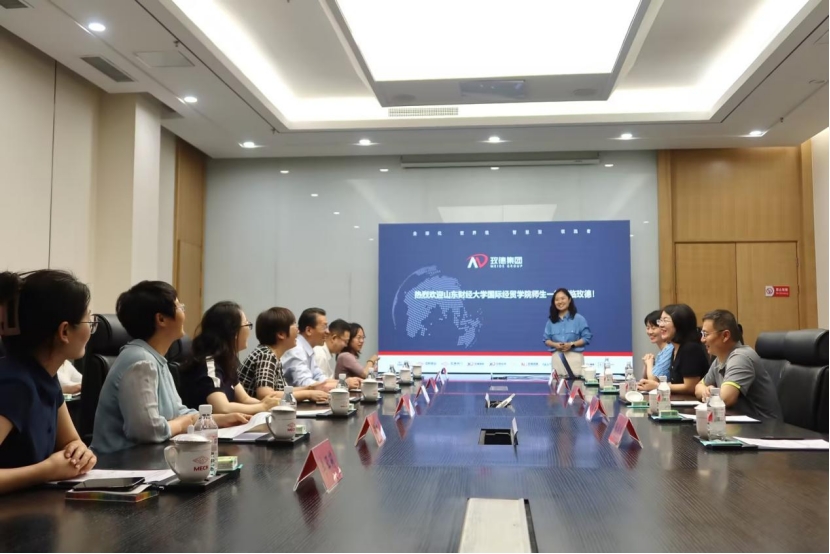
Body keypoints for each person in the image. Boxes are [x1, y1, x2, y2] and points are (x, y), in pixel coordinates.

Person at [91, 281, 249, 454]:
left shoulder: (156, 358)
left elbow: (178, 411)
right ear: (161, 319)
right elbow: (148, 431)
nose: (184, 313)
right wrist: (183, 423)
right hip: (121, 461)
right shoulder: (140, 361)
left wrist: (218, 420)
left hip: (146, 456)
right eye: (179, 307)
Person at [0, 270, 97, 494]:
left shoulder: (45, 376)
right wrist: (46, 471)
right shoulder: (15, 384)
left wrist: (80, 452)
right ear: (65, 331)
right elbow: (50, 468)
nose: (91, 328)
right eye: (88, 320)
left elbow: (71, 441)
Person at [180, 301, 284, 415]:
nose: (249, 331)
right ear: (233, 332)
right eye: (247, 325)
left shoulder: (227, 360)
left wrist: (270, 405)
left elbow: (245, 399)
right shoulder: (209, 363)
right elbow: (222, 408)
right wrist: (262, 406)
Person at [696, 309, 782, 420]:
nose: (702, 339)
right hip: (741, 422)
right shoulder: (720, 358)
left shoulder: (741, 357)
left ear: (725, 335)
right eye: (702, 334)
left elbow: (725, 399)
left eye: (706, 334)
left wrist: (710, 393)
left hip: (764, 426)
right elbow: (698, 387)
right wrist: (706, 391)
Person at [237, 307, 330, 402]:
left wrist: (309, 388)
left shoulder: (272, 355)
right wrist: (308, 394)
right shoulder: (266, 355)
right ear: (281, 334)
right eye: (294, 325)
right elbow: (265, 395)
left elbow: (283, 391)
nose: (298, 330)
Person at [281, 308, 361, 390]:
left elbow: (319, 377)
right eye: (324, 327)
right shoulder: (297, 350)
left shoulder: (308, 350)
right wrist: (344, 384)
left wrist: (344, 382)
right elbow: (305, 384)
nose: (327, 332)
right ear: (309, 330)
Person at [638, 304, 708, 394]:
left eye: (665, 320)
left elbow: (690, 386)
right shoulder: (676, 348)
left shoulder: (690, 349)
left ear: (679, 324)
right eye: (660, 321)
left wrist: (658, 386)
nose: (661, 325)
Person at [543, 288, 593, 378]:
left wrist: (571, 344)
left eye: (563, 298)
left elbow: (587, 337)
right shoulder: (551, 321)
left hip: (575, 360)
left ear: (569, 300)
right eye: (557, 299)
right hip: (557, 360)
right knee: (557, 386)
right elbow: (546, 340)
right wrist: (555, 345)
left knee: (577, 385)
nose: (560, 302)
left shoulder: (579, 319)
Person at [641, 310, 674, 382]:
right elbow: (644, 380)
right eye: (648, 328)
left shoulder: (670, 349)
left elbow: (653, 381)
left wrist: (649, 363)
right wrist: (646, 364)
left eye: (653, 328)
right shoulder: (662, 352)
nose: (650, 332)